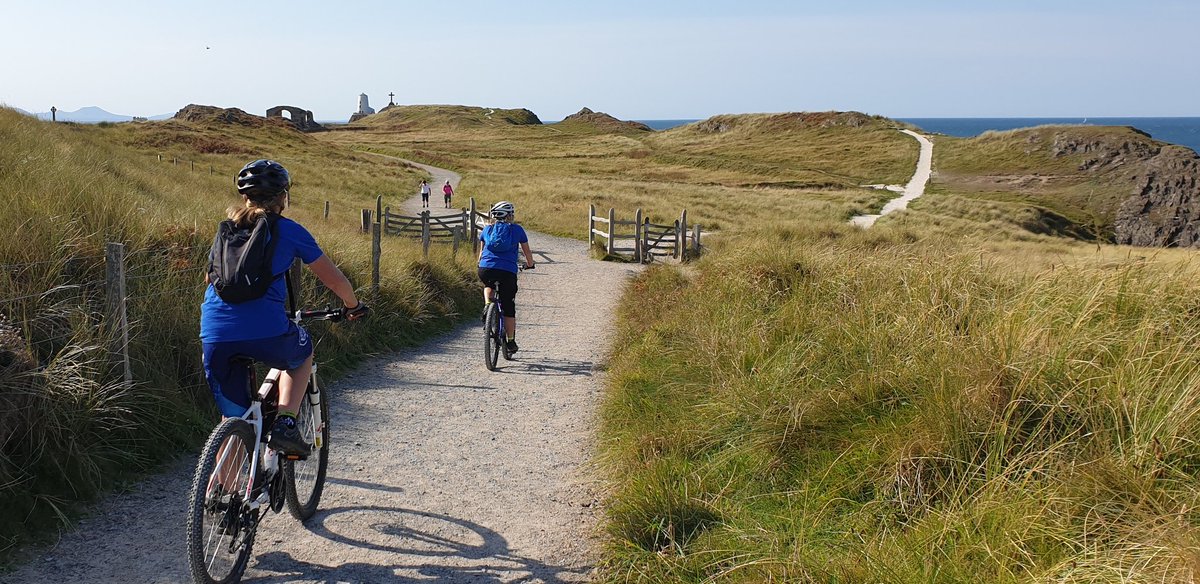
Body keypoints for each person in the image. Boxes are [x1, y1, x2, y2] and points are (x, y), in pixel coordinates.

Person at [201, 159, 368, 455]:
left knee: (235, 422)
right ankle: (286, 424)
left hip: (214, 332)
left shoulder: (225, 232)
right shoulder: (288, 231)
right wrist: (352, 305)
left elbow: (210, 278)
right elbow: (334, 280)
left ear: (245, 197)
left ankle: (219, 497)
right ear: (283, 197)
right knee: (302, 353)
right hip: (266, 329)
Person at [478, 201, 534, 354]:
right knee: (508, 307)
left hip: (486, 268)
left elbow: (481, 253)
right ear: (509, 215)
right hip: (507, 271)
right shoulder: (517, 230)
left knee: (488, 285)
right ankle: (510, 341)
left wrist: (481, 264)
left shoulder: (487, 229)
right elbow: (527, 252)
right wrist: (530, 264)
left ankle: (488, 305)